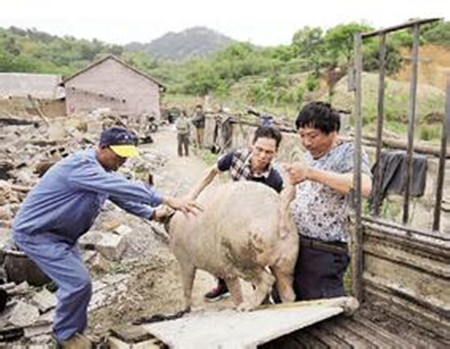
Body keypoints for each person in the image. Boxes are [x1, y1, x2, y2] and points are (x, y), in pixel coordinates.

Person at [12, 126, 202, 348]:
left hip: (62, 235)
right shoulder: (82, 166)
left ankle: (74, 331)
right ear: (102, 147)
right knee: (77, 283)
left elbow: (121, 197)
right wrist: (166, 199)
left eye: (126, 155)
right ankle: (65, 336)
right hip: (38, 233)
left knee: (80, 284)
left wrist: (152, 214)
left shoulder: (102, 173)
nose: (122, 160)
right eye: (118, 154)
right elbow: (121, 186)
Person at [284, 101, 372, 301]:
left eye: (313, 136)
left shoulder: (349, 152)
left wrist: (311, 173)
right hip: (296, 244)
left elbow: (364, 187)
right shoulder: (306, 157)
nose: (306, 142)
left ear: (333, 131)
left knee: (321, 307)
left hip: (324, 250)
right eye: (302, 135)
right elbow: (291, 193)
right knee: (289, 303)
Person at [187, 126, 284, 302]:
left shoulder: (274, 180)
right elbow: (211, 172)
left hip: (252, 223)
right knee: (217, 251)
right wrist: (192, 196)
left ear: (276, 153)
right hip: (228, 214)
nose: (263, 156)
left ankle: (262, 294)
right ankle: (223, 285)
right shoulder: (235, 158)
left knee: (254, 258)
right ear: (251, 145)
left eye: (269, 152)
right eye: (259, 149)